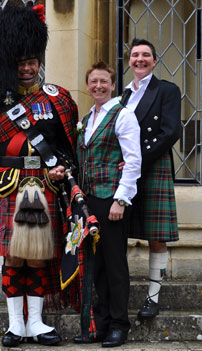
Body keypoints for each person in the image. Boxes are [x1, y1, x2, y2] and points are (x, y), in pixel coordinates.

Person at [0, 3, 79, 348]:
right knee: (14, 256)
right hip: (8, 187)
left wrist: (65, 170)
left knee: (40, 256)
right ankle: (15, 324)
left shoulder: (58, 99)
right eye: (22, 62)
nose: (29, 68)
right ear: (11, 63)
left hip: (45, 186)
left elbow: (68, 148)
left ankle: (36, 322)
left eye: (33, 62)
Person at [74, 61, 142, 347]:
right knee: (96, 266)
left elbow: (133, 160)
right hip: (89, 201)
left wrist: (121, 200)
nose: (98, 86)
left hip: (112, 201)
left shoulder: (123, 115)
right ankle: (98, 325)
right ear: (88, 85)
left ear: (113, 85)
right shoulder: (88, 118)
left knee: (115, 265)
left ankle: (119, 325)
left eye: (104, 81)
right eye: (94, 82)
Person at [123, 38, 181, 319]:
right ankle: (116, 295)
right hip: (124, 171)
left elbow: (170, 132)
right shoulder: (122, 96)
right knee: (117, 231)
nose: (140, 59)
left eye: (146, 55)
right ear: (130, 60)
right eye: (135, 55)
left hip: (153, 165)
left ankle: (153, 297)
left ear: (154, 61)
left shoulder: (167, 90)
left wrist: (136, 159)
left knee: (157, 237)